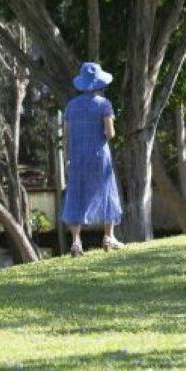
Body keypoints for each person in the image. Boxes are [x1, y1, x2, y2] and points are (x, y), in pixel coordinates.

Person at [61, 61, 125, 256]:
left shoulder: (70, 106)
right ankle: (108, 236)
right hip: (99, 156)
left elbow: (66, 136)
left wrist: (67, 157)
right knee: (107, 191)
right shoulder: (104, 105)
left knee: (75, 195)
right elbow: (110, 133)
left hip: (77, 157)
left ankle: (75, 242)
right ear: (99, 84)